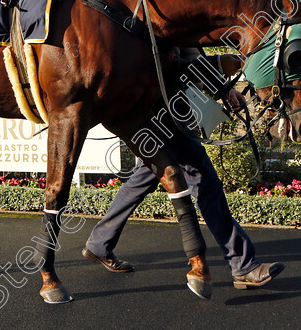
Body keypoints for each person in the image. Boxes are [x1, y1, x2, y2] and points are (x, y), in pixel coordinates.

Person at [82, 51, 285, 289]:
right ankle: (244, 266)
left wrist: (224, 89)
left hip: (160, 113)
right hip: (165, 115)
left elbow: (187, 54)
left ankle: (99, 242)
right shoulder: (156, 19)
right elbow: (170, 63)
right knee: (205, 183)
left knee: (143, 179)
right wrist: (218, 67)